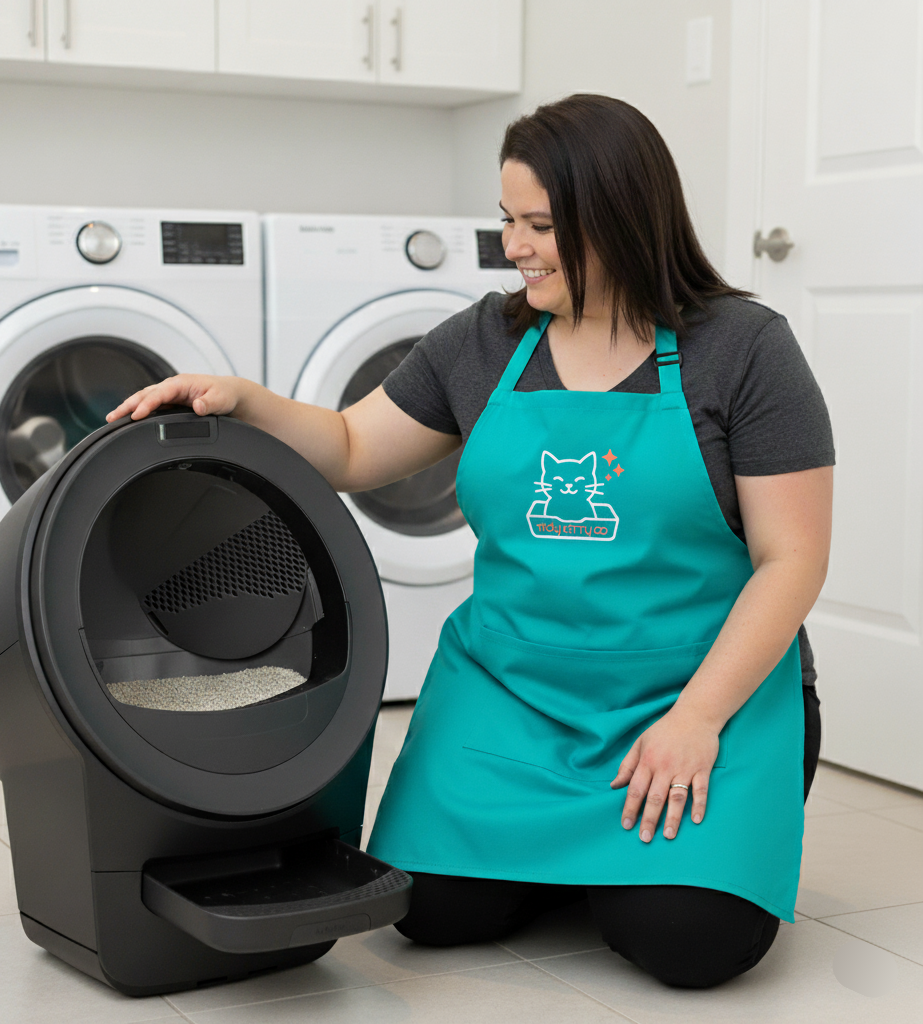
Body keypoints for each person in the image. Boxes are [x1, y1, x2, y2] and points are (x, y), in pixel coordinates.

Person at [108, 94, 834, 989]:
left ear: (619, 216)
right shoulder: (485, 341)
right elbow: (350, 447)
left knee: (686, 940)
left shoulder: (743, 349)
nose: (513, 246)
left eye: (540, 225)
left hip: (696, 693)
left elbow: (792, 559)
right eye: (506, 220)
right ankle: (582, 858)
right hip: (517, 692)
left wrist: (695, 720)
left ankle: (626, 865)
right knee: (433, 911)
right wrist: (240, 399)